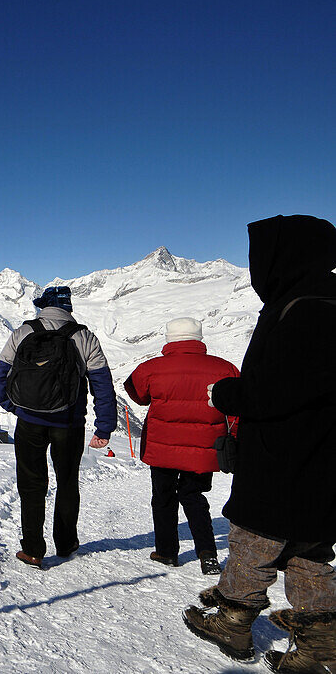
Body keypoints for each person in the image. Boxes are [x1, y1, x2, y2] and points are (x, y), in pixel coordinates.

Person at [182, 215, 336, 670]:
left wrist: (228, 394)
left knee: (255, 541)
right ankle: (321, 642)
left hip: (284, 455)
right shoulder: (326, 299)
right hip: (324, 456)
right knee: (309, 548)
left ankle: (232, 621)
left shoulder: (301, 308)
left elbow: (276, 391)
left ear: (283, 256)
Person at [0, 285, 117, 569]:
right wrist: (104, 427)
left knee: (31, 484)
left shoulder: (23, 332)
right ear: (68, 308)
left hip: (29, 423)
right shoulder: (85, 337)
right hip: (69, 424)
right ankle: (66, 542)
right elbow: (103, 387)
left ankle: (33, 549)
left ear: (42, 306)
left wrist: (15, 408)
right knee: (67, 481)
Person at [124, 317, 239, 574]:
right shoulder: (225, 368)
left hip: (162, 446)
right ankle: (207, 553)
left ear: (169, 339)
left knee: (163, 497)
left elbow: (135, 393)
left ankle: (166, 552)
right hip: (203, 448)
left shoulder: (152, 368)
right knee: (194, 496)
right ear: (199, 339)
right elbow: (237, 408)